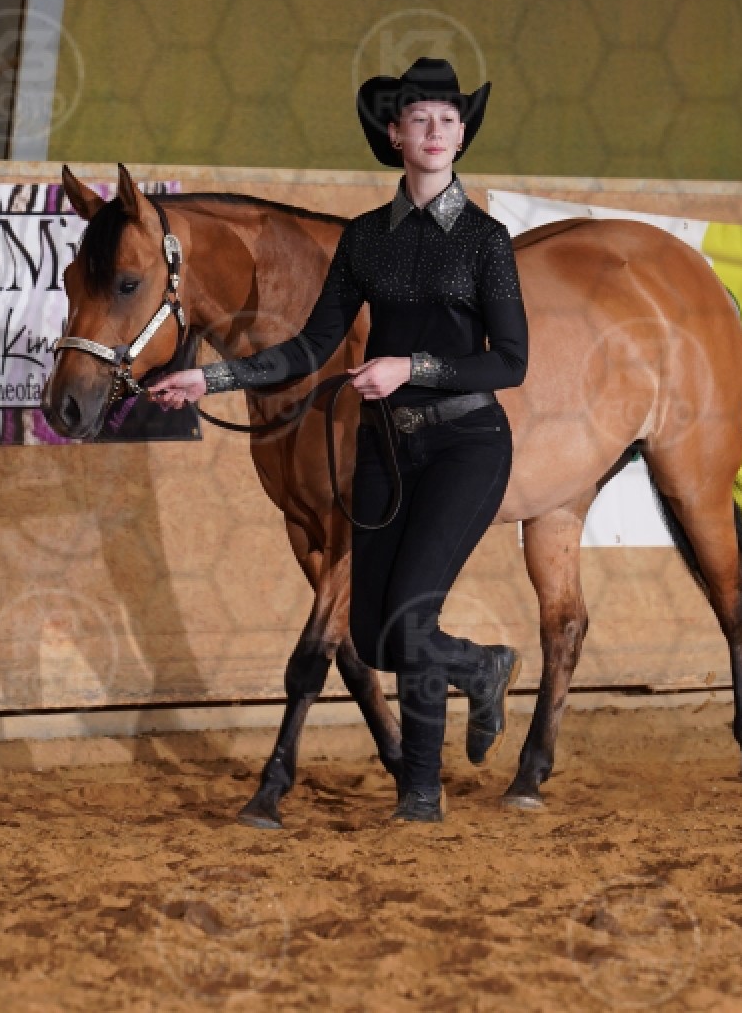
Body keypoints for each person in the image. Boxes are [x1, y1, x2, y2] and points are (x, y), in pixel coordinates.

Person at [147, 58, 527, 823]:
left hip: (467, 443)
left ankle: (421, 794)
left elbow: (510, 361)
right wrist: (209, 380)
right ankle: (481, 666)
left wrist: (410, 366)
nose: (435, 131)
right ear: (394, 135)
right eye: (419, 119)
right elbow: (308, 347)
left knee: (411, 621)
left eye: (449, 121)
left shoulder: (486, 240)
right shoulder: (364, 240)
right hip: (387, 451)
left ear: (461, 138)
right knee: (375, 637)